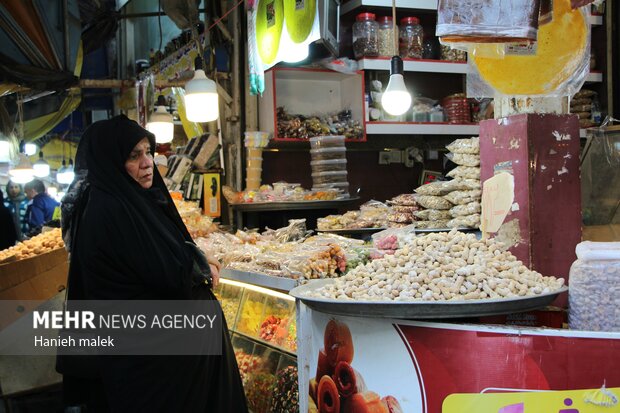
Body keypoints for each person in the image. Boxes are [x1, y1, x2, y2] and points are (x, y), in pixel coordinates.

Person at [59, 115, 248, 412]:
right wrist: (197, 266)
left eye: (148, 152)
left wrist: (194, 260)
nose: (147, 162)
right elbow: (167, 272)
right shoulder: (113, 209)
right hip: (156, 367)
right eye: (134, 156)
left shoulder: (117, 201)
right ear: (110, 161)